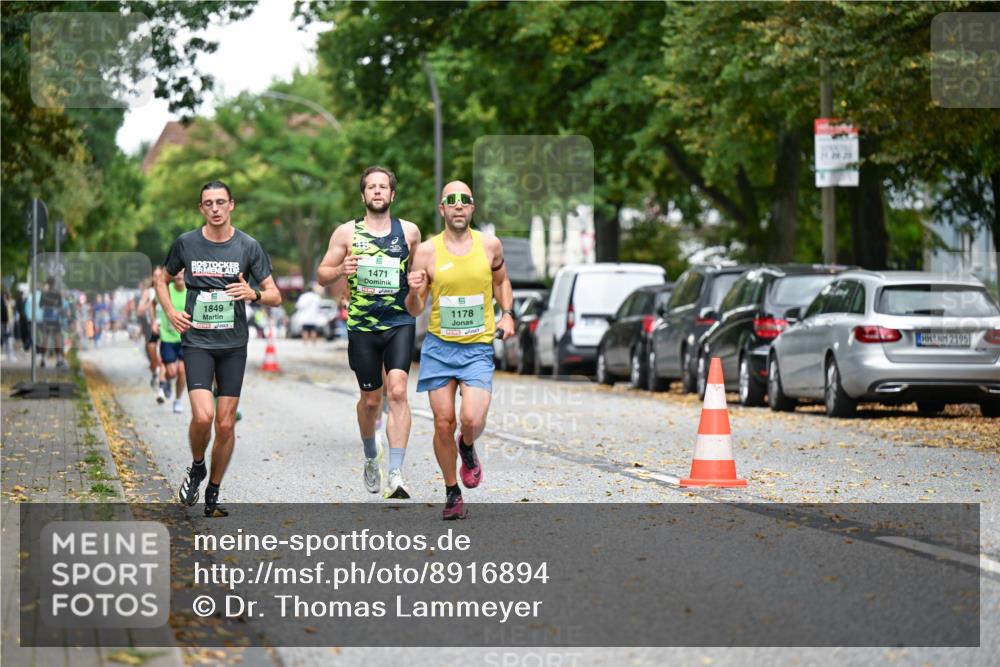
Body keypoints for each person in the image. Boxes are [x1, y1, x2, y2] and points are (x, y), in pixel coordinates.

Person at [160, 180, 281, 518]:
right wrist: (171, 311)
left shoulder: (248, 246)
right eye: (208, 203)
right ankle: (197, 466)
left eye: (220, 202)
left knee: (226, 425)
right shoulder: (186, 243)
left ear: (231, 205)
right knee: (204, 416)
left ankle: (212, 490)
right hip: (197, 342)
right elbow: (161, 278)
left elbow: (275, 295)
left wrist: (253, 293)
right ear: (201, 208)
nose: (214, 208)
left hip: (232, 346)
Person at [406, 181, 515, 520]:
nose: (457, 206)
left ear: (472, 208)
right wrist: (414, 292)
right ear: (441, 209)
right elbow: (414, 309)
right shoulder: (425, 252)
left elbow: (501, 282)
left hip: (477, 348)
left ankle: (466, 445)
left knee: (471, 418)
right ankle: (452, 492)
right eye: (450, 201)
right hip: (439, 348)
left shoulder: (489, 246)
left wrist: (508, 314)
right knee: (442, 423)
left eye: (463, 201)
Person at [317, 166, 421, 499]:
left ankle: (396, 472)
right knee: (371, 400)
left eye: (383, 187)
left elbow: (420, 274)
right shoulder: (346, 233)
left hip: (399, 322)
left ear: (392, 194)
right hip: (362, 327)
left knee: (399, 391)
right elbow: (322, 274)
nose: (377, 192)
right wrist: (340, 270)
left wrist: (421, 286)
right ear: (363, 195)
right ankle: (369, 457)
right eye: (371, 187)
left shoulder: (410, 233)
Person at [157, 269, 188, 413]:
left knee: (182, 370)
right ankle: (168, 380)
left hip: (185, 338)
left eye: (182, 273)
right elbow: (152, 303)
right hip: (168, 337)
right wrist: (153, 322)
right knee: (172, 372)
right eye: (176, 272)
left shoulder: (190, 290)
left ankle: (177, 400)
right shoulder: (165, 290)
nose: (179, 275)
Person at [137, 269, 163, 391]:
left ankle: (162, 382)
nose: (157, 278)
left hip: (166, 329)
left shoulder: (167, 290)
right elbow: (139, 310)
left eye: (160, 275)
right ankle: (155, 373)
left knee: (164, 358)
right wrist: (150, 304)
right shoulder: (148, 292)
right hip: (150, 329)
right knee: (153, 359)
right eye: (155, 276)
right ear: (152, 278)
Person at [38, 278, 66, 368]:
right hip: (55, 319)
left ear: (48, 284)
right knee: (57, 339)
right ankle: (58, 360)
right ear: (54, 284)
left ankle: (42, 360)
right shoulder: (58, 294)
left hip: (46, 319)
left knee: (45, 339)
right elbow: (61, 307)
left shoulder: (44, 294)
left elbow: (40, 306)